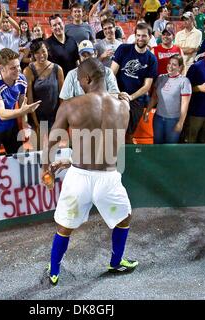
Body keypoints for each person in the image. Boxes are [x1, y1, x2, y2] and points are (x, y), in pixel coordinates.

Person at [41, 57, 137, 286]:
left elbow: (52, 140)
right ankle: (116, 262)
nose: (80, 85)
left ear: (87, 79)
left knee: (65, 226)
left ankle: (54, 270)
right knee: (123, 219)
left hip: (79, 177)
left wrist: (46, 168)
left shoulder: (71, 105)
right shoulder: (123, 105)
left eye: (80, 81)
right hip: (109, 178)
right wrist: (124, 98)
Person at [0, 48, 41, 157]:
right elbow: (1, 114)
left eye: (18, 66)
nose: (18, 70)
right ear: (1, 68)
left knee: (17, 157)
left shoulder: (21, 79)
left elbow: (22, 103)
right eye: (13, 68)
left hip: (11, 123)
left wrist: (24, 122)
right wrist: (22, 112)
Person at [111, 22, 158, 143]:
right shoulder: (123, 49)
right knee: (113, 132)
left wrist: (130, 97)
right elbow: (111, 74)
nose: (140, 39)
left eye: (143, 36)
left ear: (150, 37)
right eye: (138, 35)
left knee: (129, 134)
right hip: (117, 96)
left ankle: (126, 159)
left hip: (136, 100)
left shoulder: (151, 59)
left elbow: (147, 86)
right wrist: (117, 93)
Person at [144, 54, 192, 144]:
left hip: (173, 120)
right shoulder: (161, 78)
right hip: (158, 119)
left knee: (170, 148)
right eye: (169, 63)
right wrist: (147, 111)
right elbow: (154, 97)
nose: (170, 66)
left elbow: (185, 104)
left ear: (180, 67)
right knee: (157, 145)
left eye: (174, 64)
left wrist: (181, 122)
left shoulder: (184, 81)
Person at [23, 39, 64, 134]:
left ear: (47, 51)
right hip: (37, 117)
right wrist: (35, 122)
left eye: (43, 51)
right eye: (37, 53)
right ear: (33, 54)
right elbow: (30, 98)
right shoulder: (28, 71)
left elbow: (62, 97)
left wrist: (62, 118)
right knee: (41, 147)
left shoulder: (58, 69)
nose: (41, 55)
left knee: (56, 147)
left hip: (55, 117)